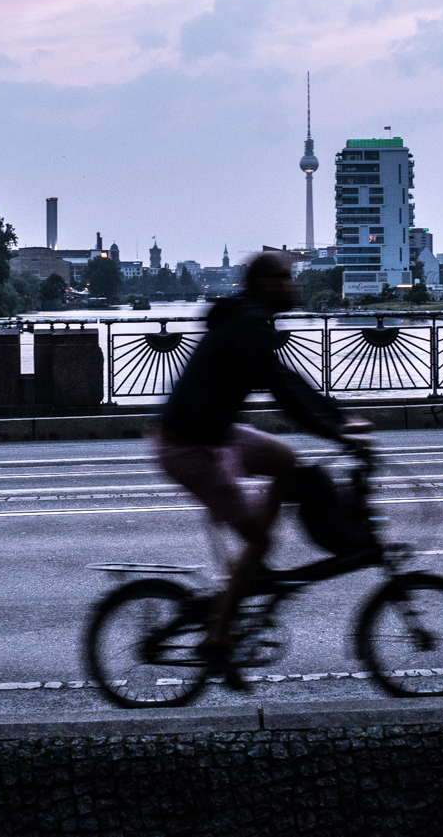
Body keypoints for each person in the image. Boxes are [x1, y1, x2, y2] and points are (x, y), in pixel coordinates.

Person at [155, 251, 372, 680]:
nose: (294, 285)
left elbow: (289, 380)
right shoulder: (247, 325)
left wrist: (341, 419)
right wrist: (338, 433)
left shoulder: (250, 320)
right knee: (259, 540)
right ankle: (217, 636)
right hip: (188, 446)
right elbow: (284, 392)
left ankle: (250, 565)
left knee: (285, 458)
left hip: (215, 433)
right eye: (287, 278)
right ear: (267, 284)